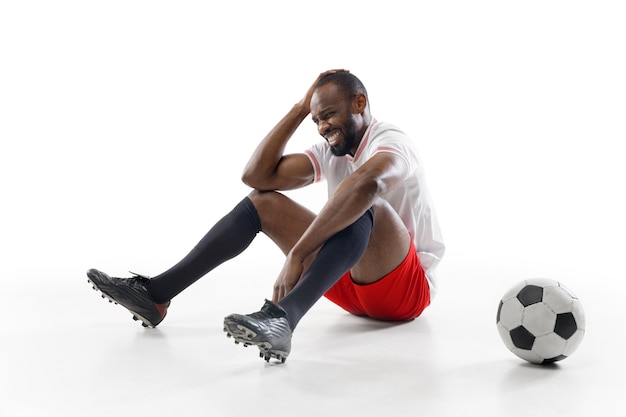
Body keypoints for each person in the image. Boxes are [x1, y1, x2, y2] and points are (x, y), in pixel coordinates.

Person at [86, 69, 445, 363]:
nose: (322, 127)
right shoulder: (330, 150)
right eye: (316, 119)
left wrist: (298, 253)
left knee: (367, 201)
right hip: (345, 279)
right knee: (263, 202)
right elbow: (257, 176)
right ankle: (156, 295)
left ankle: (283, 318)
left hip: (404, 292)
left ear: (360, 103)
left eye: (329, 114)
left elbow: (367, 186)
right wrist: (300, 108)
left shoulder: (392, 140)